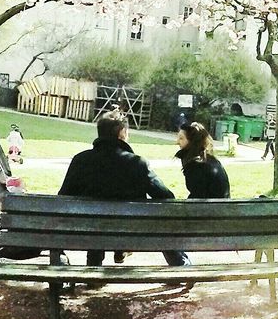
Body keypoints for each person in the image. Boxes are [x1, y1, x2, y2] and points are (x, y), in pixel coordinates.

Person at [59, 110, 189, 266]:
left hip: (88, 231)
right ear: (122, 133)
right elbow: (165, 196)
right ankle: (179, 264)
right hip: (129, 232)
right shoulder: (137, 163)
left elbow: (63, 197)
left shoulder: (80, 160)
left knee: (98, 220)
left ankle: (94, 265)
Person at [175, 121, 230, 199]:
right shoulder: (209, 160)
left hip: (211, 209)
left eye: (181, 138)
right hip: (221, 206)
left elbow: (198, 198)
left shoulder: (197, 166)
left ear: (192, 141)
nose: (177, 142)